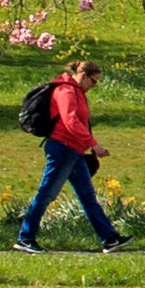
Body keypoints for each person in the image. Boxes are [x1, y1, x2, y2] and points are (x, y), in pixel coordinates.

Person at [15, 57, 117, 253]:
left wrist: (87, 144)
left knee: (88, 196)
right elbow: (70, 121)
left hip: (74, 150)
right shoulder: (66, 91)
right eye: (93, 81)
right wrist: (93, 144)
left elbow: (80, 122)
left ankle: (110, 238)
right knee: (46, 194)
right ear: (83, 75)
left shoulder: (77, 92)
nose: (94, 86)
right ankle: (25, 238)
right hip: (62, 148)